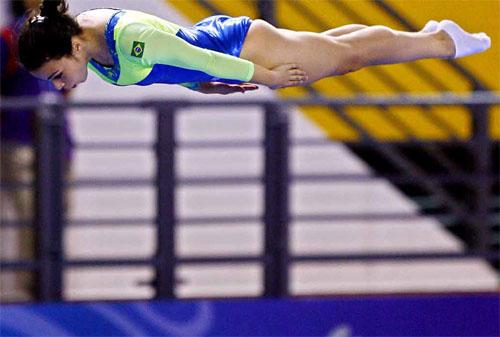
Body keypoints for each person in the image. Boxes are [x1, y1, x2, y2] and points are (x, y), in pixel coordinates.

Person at [18, 0, 490, 95]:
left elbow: (197, 56)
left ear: (74, 47)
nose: (60, 87)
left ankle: (440, 40)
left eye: (56, 74)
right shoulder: (89, 50)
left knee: (348, 58)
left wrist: (264, 76)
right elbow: (175, 64)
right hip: (226, 49)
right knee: (335, 54)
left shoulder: (123, 37)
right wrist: (204, 88)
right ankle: (432, 34)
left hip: (240, 44)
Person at [0, 0, 73, 301]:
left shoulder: (62, 36)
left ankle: (50, 291)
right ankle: (33, 295)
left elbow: (68, 84)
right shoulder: (8, 38)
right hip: (20, 143)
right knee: (32, 222)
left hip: (57, 145)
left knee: (57, 218)